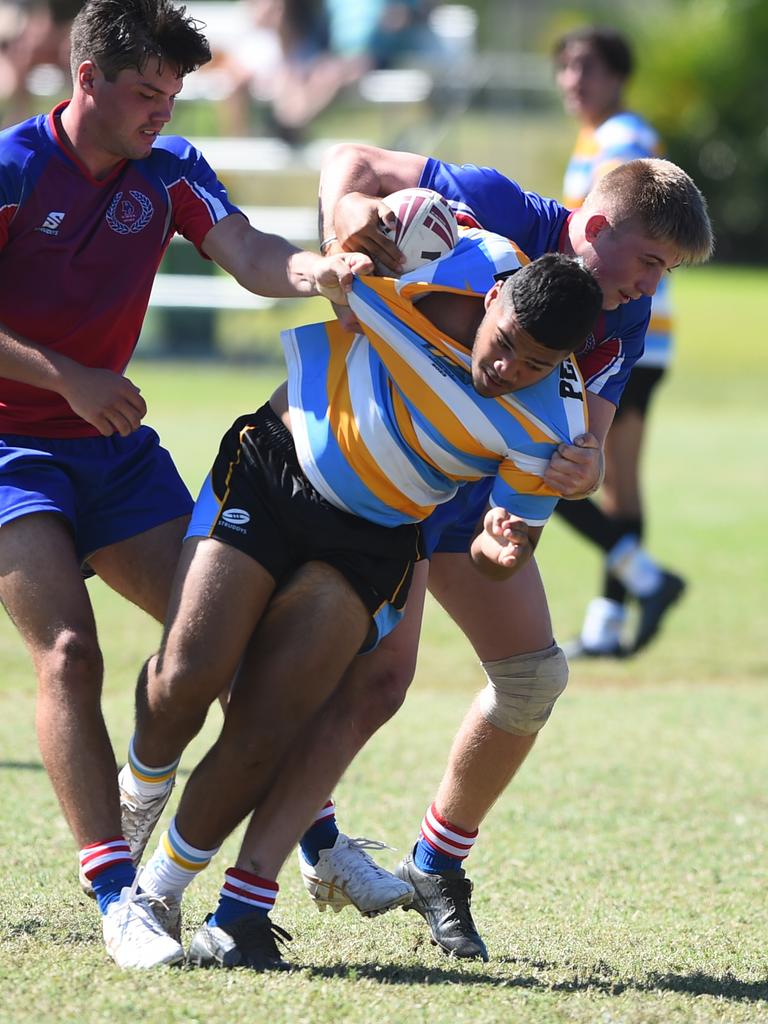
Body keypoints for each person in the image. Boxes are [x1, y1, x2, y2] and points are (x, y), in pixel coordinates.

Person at [0, 0, 370, 971]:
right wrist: (67, 377)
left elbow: (247, 252)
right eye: (146, 95)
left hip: (116, 456)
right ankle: (119, 896)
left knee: (226, 644)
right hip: (9, 453)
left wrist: (315, 268)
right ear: (87, 81)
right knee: (70, 654)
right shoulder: (9, 169)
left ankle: (319, 844)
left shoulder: (168, 176)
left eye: (172, 96)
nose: (163, 114)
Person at [121, 241, 604, 970]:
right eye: (504, 345)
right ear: (497, 300)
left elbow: (501, 543)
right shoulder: (466, 260)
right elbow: (357, 196)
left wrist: (502, 550)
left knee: (269, 722)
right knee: (185, 679)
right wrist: (332, 260)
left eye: (535, 364)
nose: (508, 371)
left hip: (371, 541)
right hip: (273, 469)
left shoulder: (553, 428)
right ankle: (139, 790)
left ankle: (154, 896)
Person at [552, 25, 685, 657]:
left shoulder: (622, 140)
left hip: (626, 332)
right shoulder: (598, 137)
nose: (574, 80)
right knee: (616, 484)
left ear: (618, 77)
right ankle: (611, 619)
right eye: (567, 68)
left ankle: (647, 580)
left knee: (555, 465)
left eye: (589, 68)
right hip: (644, 334)